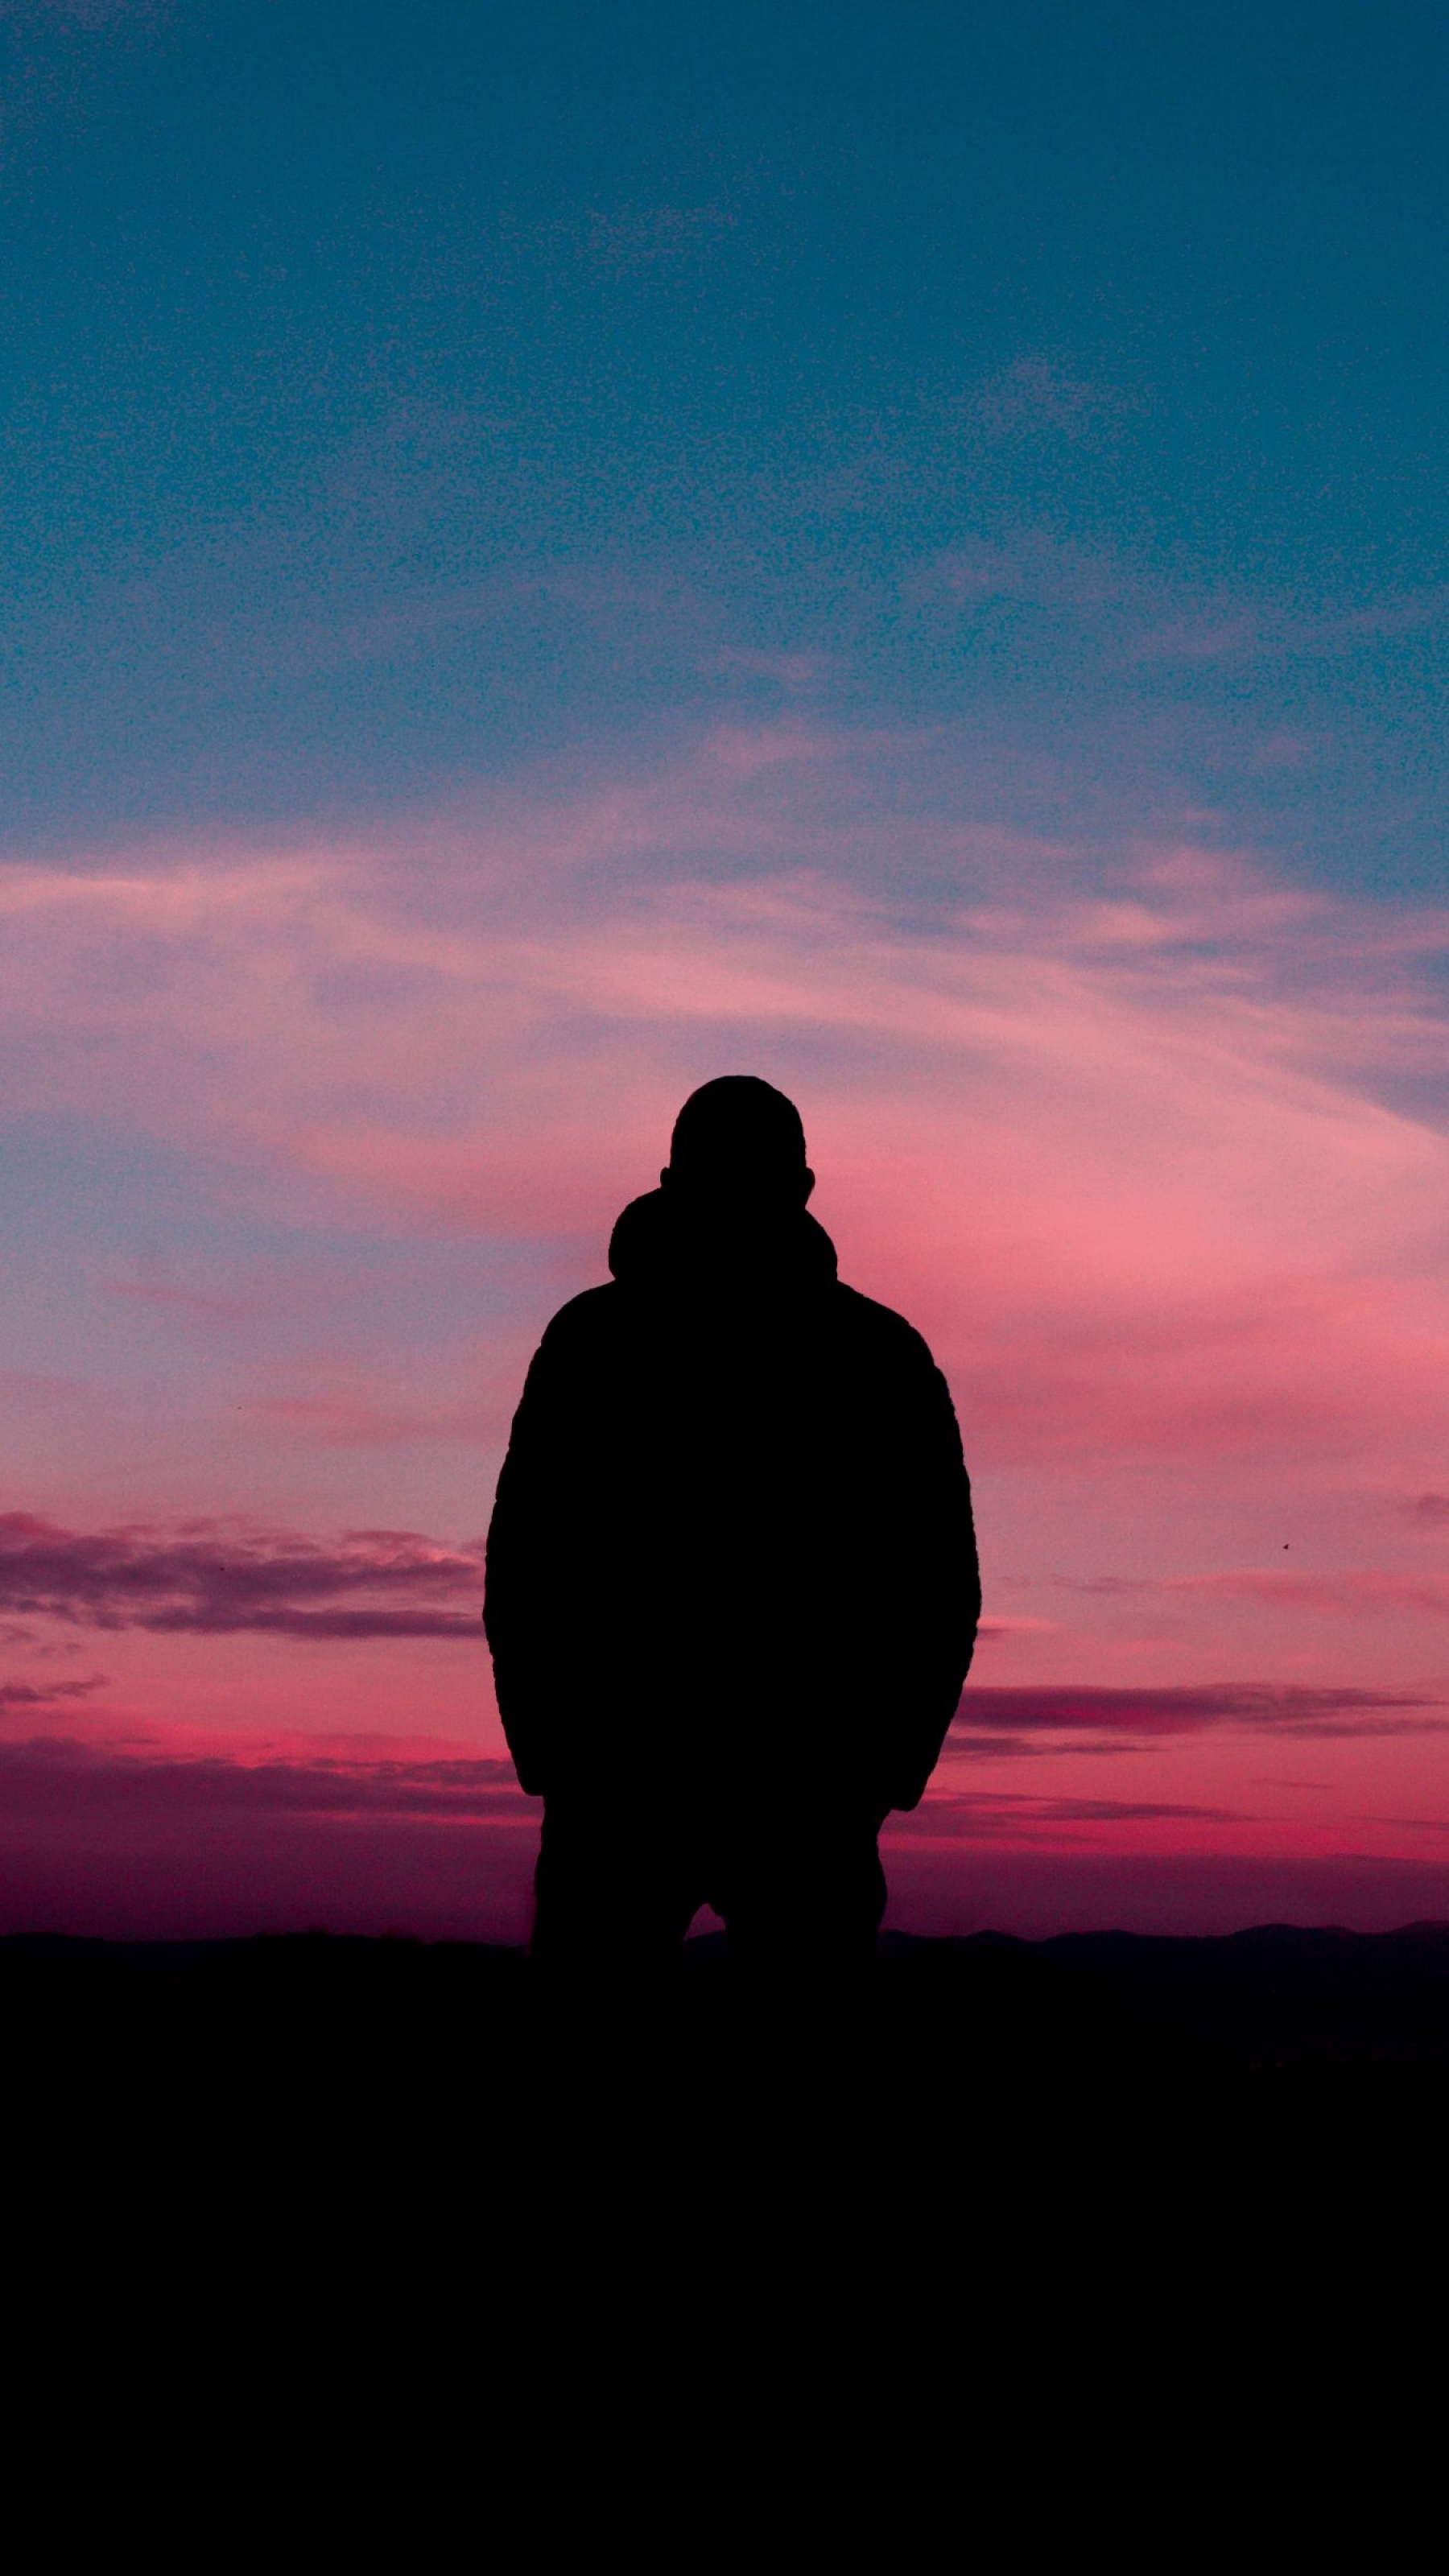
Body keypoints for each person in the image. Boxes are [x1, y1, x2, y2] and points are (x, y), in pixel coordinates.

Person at [483, 1076, 980, 2003]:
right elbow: (528, 1556)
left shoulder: (871, 1356)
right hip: (665, 1779)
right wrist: (552, 1750)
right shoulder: (872, 1353)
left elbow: (937, 1582)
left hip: (762, 1786)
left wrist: (884, 1769)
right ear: (805, 1187)